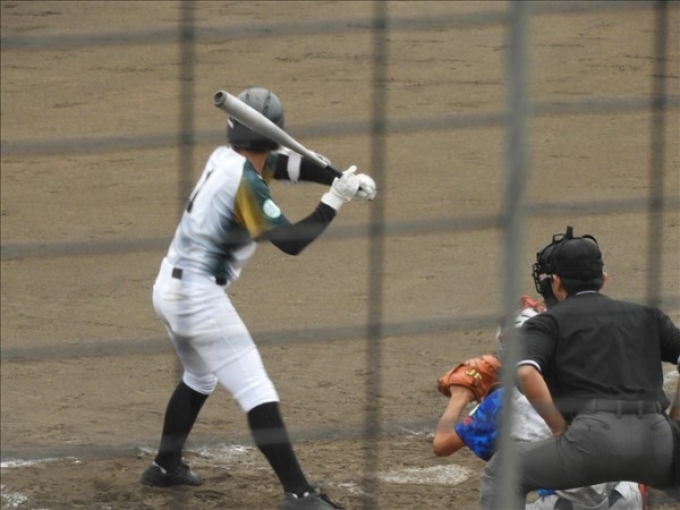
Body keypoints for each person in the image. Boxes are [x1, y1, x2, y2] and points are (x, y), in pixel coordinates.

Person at [140, 87, 376, 510]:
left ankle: (165, 466)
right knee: (256, 390)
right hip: (197, 299)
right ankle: (300, 495)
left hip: (167, 289)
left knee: (200, 377)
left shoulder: (223, 158)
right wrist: (335, 199)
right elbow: (291, 242)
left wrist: (338, 176)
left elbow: (284, 164)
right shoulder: (246, 185)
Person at [479, 226, 680, 509]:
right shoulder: (649, 316)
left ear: (556, 283)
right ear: (604, 278)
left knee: (502, 472)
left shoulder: (547, 323)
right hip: (655, 440)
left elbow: (526, 373)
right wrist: (675, 419)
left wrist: (558, 428)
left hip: (591, 443)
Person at [434, 295, 645, 510]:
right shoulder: (597, 374)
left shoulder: (502, 402)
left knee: (497, 475)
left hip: (571, 505)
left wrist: (461, 394)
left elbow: (442, 445)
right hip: (624, 498)